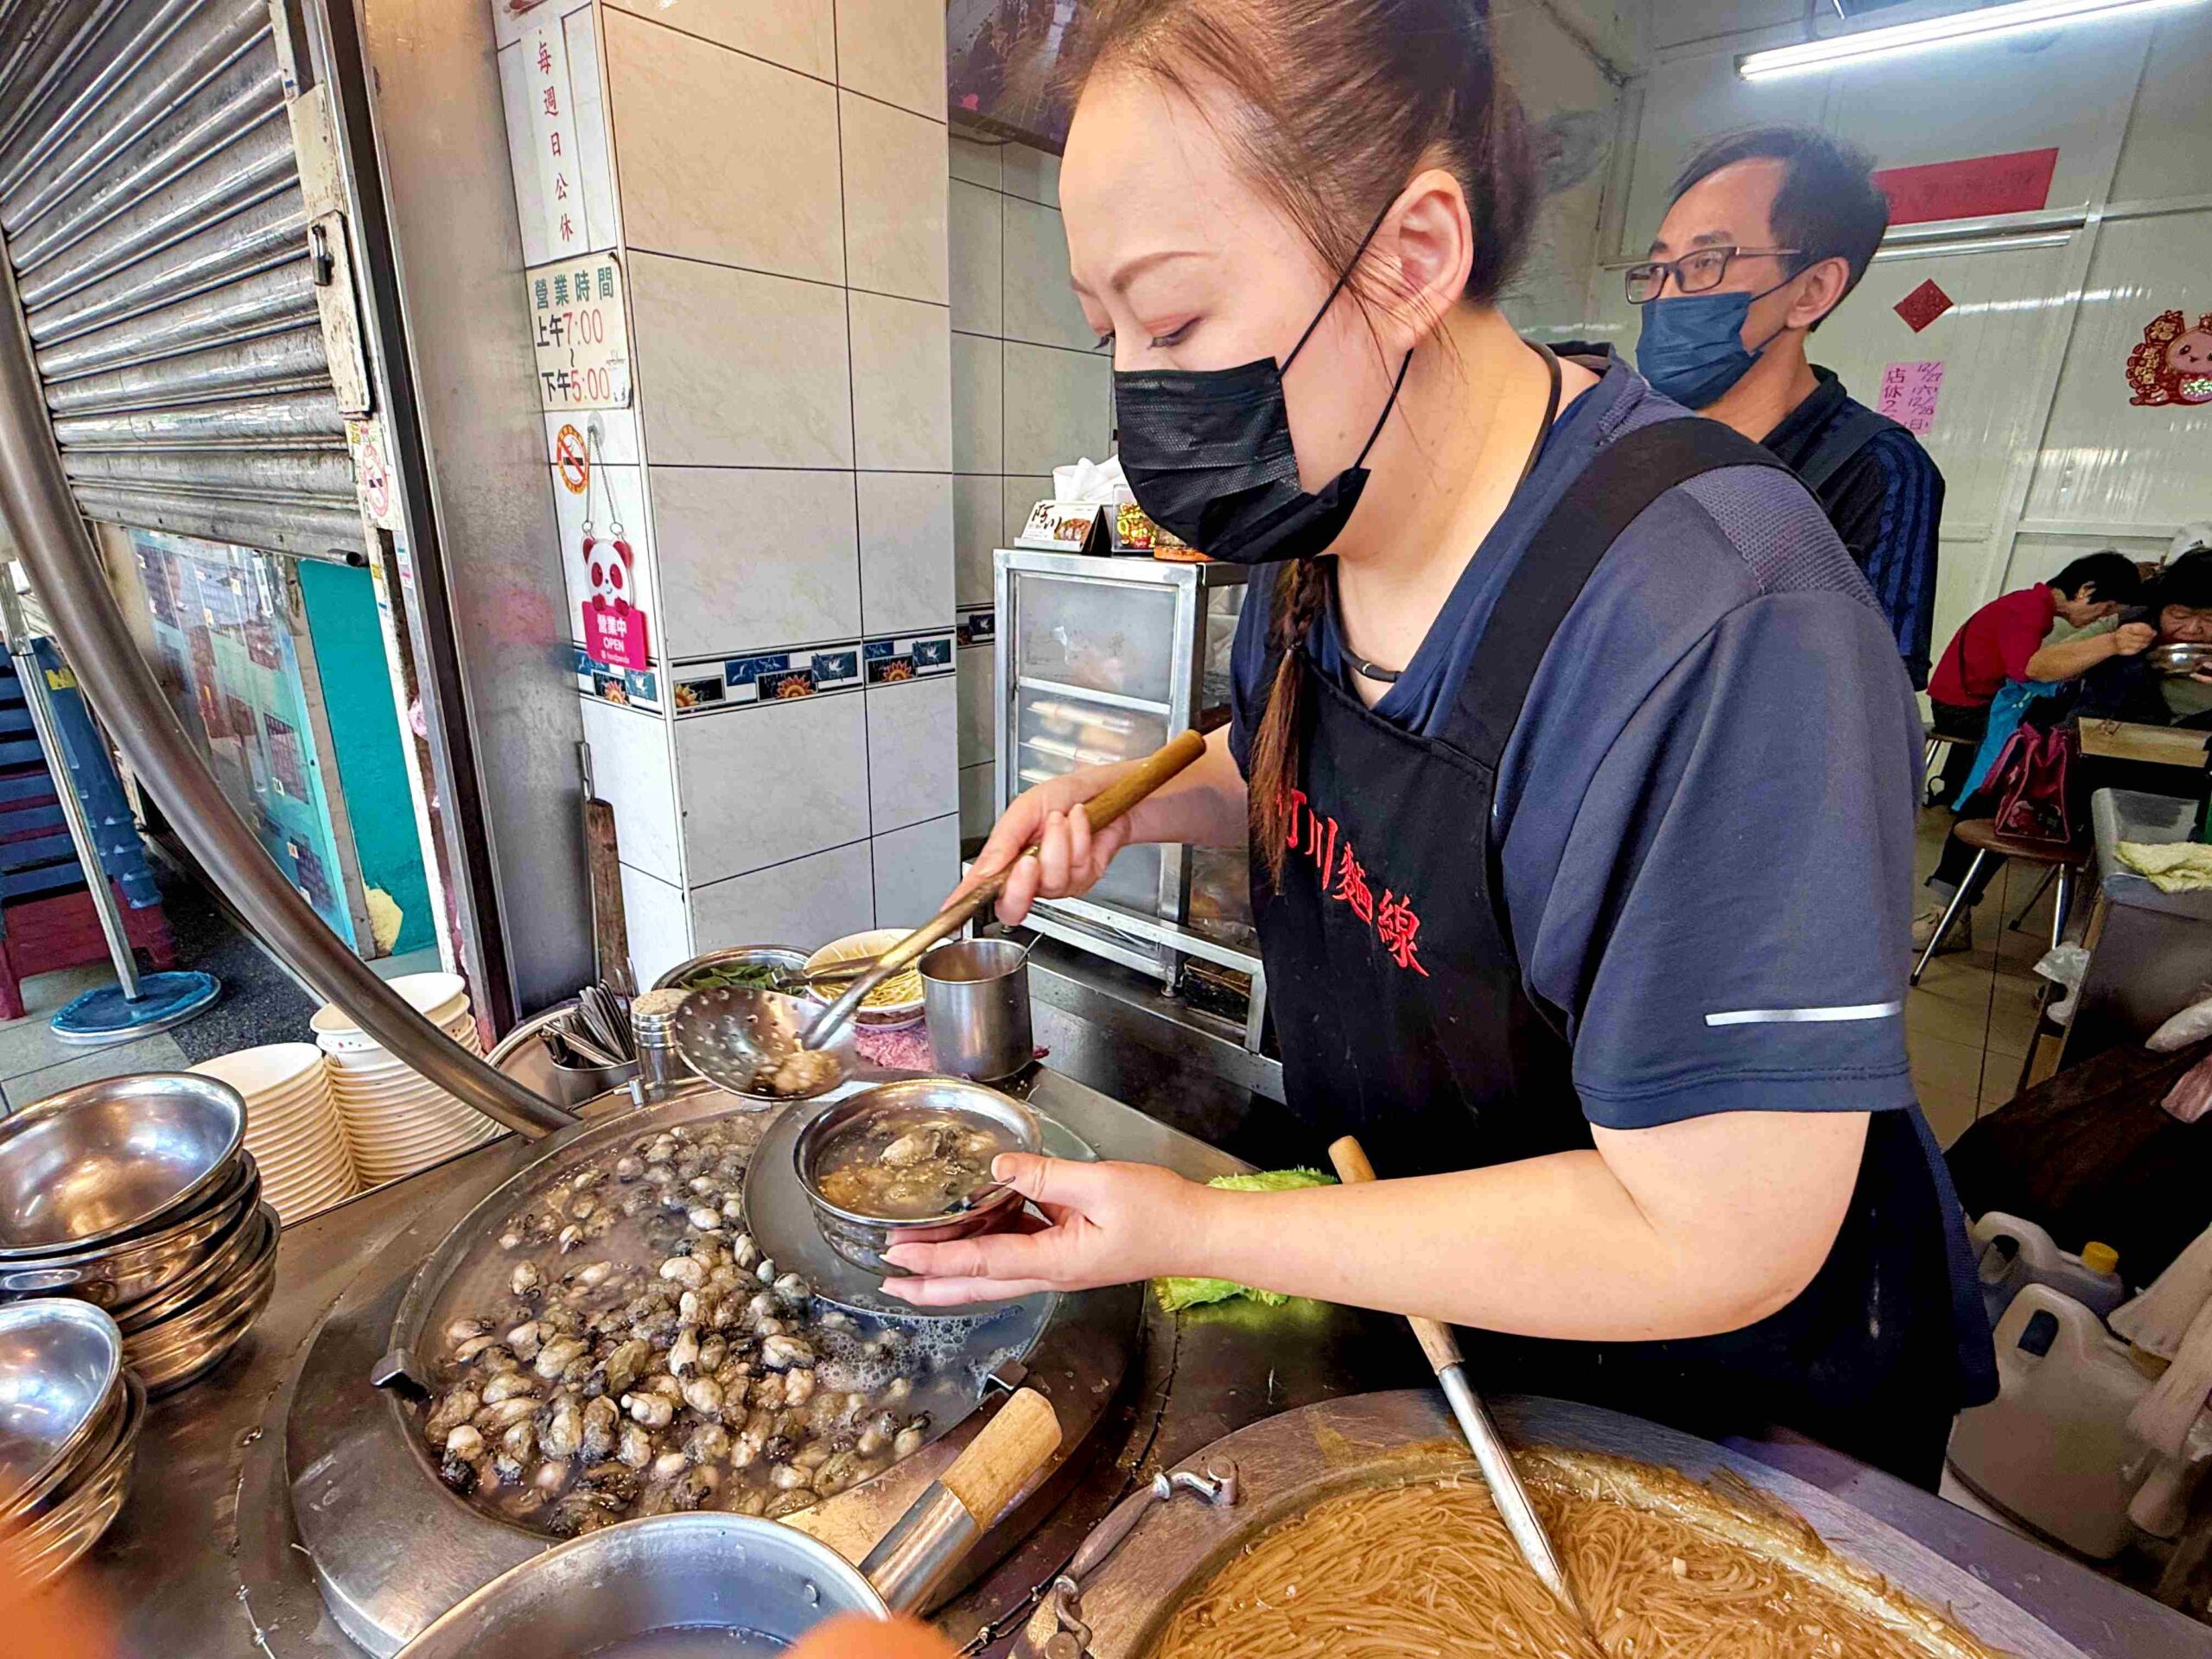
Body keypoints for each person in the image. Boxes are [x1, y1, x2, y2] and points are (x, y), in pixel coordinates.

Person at [887, 0, 1993, 1489]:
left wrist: (1199, 1225)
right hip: (1451, 1312)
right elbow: (1300, 761)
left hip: (1720, 1411)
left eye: (1179, 322)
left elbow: (1714, 1232)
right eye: (1113, 335)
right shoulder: (1317, 512)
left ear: (1411, 257)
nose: (1146, 392)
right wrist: (1136, 801)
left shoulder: (1720, 619)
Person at [1636, 128, 1946, 689]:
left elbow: (1864, 695)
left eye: (1706, 262)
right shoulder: (1628, 442)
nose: (1666, 296)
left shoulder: (1877, 471)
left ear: (1811, 291)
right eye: (1659, 268)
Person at [1916, 556, 2212, 950]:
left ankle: (2097, 956)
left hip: (2191, 782)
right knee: (1999, 789)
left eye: (2209, 619)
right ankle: (1949, 913)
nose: (2192, 630)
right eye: (2181, 614)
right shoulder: (2130, 623)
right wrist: (2113, 645)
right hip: (2093, 759)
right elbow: (2038, 666)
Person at [1921, 552, 2145, 810]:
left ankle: (1974, 796)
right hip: (1960, 709)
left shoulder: (2029, 604)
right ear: (2085, 590)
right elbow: (2024, 671)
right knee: (2043, 727)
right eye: (2106, 608)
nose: (2100, 618)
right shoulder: (2028, 610)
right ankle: (1982, 804)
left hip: (1961, 700)